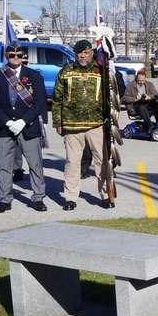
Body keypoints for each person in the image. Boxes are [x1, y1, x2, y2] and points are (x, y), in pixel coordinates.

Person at [51, 40, 119, 210]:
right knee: (72, 162)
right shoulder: (66, 72)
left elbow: (115, 93)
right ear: (75, 54)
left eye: (86, 52)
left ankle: (105, 195)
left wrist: (110, 68)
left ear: (91, 53)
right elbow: (57, 99)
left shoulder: (101, 72)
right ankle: (70, 197)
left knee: (102, 161)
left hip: (96, 124)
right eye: (80, 53)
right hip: (72, 125)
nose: (83, 56)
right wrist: (58, 122)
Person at [0, 43, 47, 212]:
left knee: (35, 164)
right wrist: (7, 122)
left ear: (23, 57)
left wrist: (23, 121)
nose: (15, 58)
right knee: (4, 166)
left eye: (18, 55)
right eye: (12, 55)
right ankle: (4, 199)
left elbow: (40, 102)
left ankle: (38, 198)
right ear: (6, 56)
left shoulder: (34, 75)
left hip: (28, 126)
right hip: (5, 128)